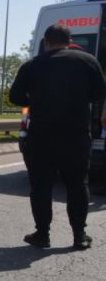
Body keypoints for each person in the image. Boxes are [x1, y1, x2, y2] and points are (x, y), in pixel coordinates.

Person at [9, 23, 106, 250]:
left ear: (46, 42)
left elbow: (15, 96)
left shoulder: (32, 65)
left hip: (41, 136)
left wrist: (34, 100)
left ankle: (42, 235)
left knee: (41, 185)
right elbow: (100, 92)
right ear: (69, 40)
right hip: (76, 135)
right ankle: (79, 236)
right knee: (77, 184)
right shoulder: (88, 61)